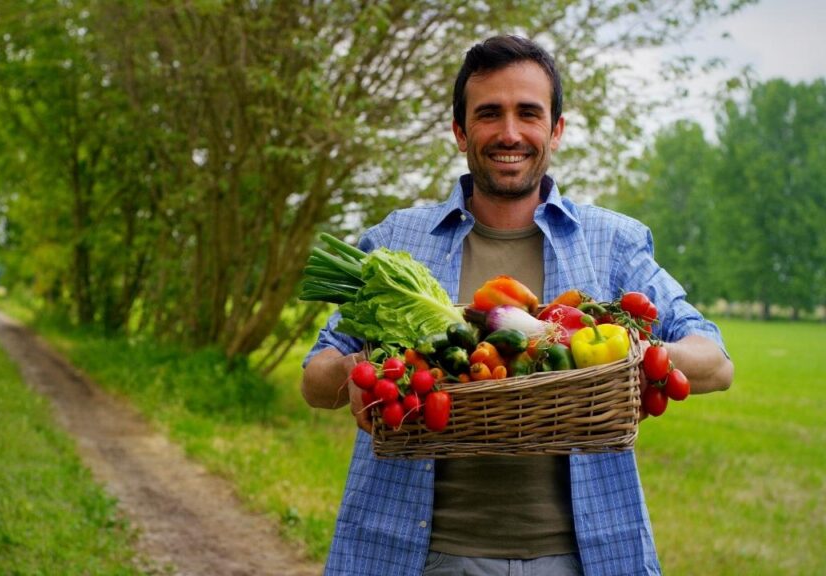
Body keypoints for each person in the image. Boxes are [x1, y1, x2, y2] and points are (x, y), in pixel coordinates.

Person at [301, 35, 733, 576]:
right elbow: (315, 380)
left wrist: (631, 353)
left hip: (581, 557)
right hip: (414, 553)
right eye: (489, 114)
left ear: (556, 130)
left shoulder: (611, 241)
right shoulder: (397, 241)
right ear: (461, 132)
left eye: (529, 113)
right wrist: (362, 372)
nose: (510, 133)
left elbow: (716, 362)